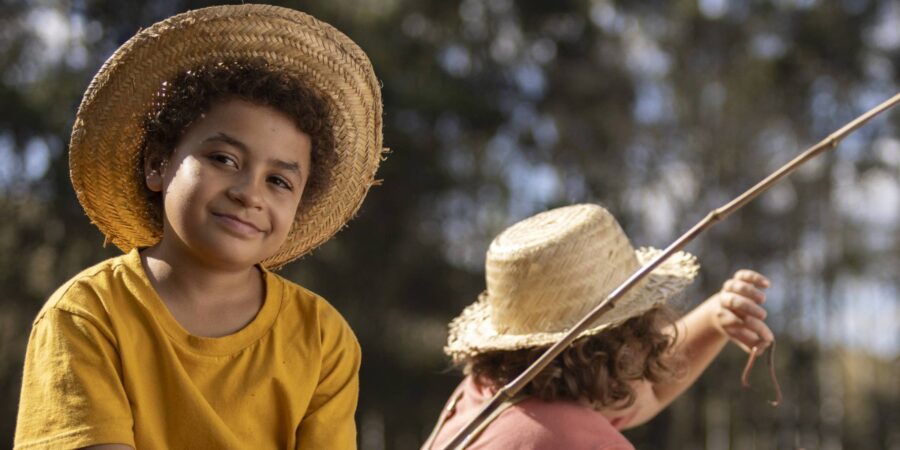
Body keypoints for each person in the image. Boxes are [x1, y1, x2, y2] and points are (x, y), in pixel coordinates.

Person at [14, 5, 385, 449]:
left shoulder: (323, 338)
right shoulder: (88, 314)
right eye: (223, 159)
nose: (250, 193)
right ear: (157, 164)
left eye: (279, 181)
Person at [423, 204, 774, 449]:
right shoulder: (587, 443)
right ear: (620, 346)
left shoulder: (480, 396)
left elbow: (645, 393)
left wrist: (714, 318)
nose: (651, 342)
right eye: (641, 330)